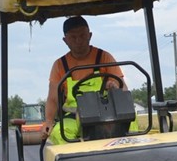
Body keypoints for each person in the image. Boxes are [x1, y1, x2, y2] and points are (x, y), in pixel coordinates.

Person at [41, 15, 125, 143]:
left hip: (105, 113)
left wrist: (114, 88)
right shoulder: (60, 65)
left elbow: (122, 87)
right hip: (73, 116)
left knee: (131, 123)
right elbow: (53, 99)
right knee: (59, 133)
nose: (78, 41)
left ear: (90, 35)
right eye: (73, 37)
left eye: (82, 36)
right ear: (65, 40)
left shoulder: (104, 57)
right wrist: (48, 121)